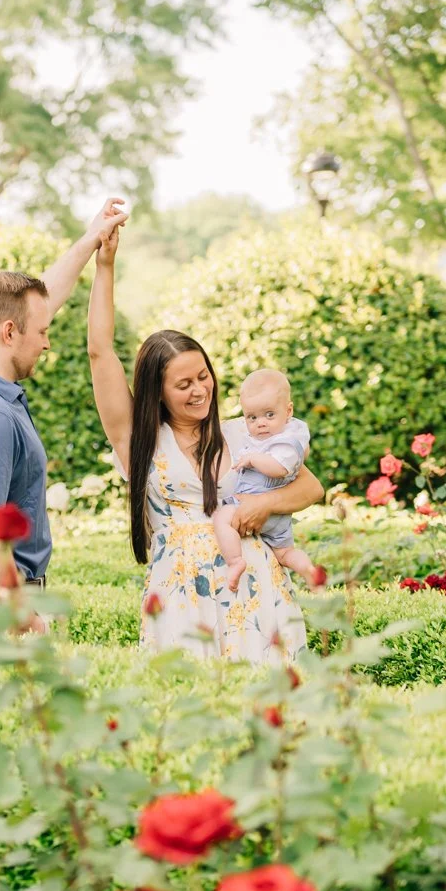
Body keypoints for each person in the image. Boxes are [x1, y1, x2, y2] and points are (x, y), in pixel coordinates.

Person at [85, 222, 322, 663]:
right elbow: (100, 352)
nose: (200, 390)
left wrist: (263, 506)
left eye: (203, 376)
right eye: (183, 384)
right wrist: (105, 264)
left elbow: (311, 488)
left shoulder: (241, 432)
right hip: (180, 597)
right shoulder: (139, 443)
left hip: (256, 589)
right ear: (157, 391)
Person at [0, 198, 131, 632]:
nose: (47, 343)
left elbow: (39, 305)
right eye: (42, 333)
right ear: (8, 333)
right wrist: (27, 619)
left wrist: (91, 241)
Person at [214, 369, 320, 592]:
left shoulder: (281, 442)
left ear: (288, 410)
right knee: (285, 553)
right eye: (252, 417)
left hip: (262, 507)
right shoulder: (290, 434)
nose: (260, 423)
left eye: (269, 415)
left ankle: (235, 561)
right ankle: (309, 571)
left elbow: (279, 469)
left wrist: (253, 458)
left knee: (222, 517)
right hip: (279, 519)